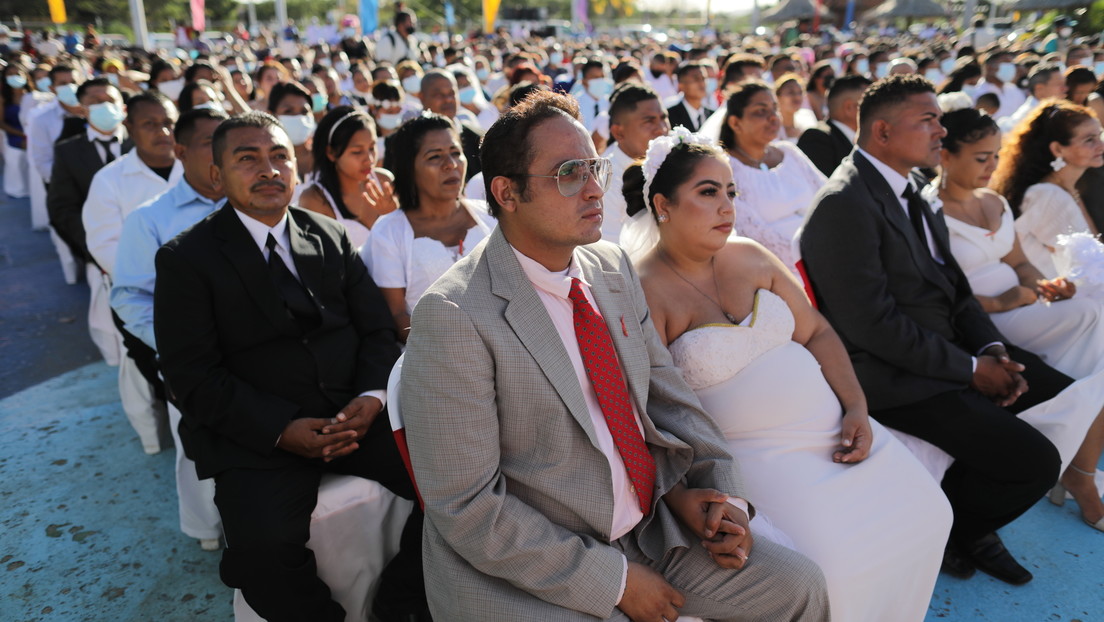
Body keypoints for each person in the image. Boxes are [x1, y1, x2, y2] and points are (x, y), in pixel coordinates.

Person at [400, 88, 829, 622]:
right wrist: (614, 582)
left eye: (594, 167)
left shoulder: (607, 267)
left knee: (800, 588)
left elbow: (667, 395)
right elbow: (466, 508)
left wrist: (722, 496)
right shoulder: (455, 315)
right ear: (506, 194)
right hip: (533, 565)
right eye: (568, 173)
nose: (593, 188)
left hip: (649, 527)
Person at [624, 127, 952, 622]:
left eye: (731, 191)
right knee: (839, 566)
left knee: (930, 513)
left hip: (831, 431)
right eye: (708, 192)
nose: (727, 206)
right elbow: (646, 411)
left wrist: (856, 407)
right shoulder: (645, 291)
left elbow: (817, 331)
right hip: (760, 457)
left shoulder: (751, 256)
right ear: (663, 205)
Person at [800, 75, 1099, 585]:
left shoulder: (910, 188)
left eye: (939, 118)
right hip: (891, 375)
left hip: (945, 351)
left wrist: (992, 348)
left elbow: (956, 288)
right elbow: (873, 327)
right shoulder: (844, 205)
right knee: (1035, 462)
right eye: (928, 120)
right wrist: (969, 370)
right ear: (882, 132)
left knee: (1063, 395)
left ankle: (967, 524)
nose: (942, 130)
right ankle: (957, 530)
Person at [152, 111, 426, 622]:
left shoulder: (328, 236)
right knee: (262, 553)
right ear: (217, 175)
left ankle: (400, 603)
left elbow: (376, 331)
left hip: (354, 417)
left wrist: (370, 399)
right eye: (247, 158)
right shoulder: (186, 260)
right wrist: (281, 429)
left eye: (279, 156)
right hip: (260, 437)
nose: (268, 169)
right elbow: (191, 377)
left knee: (453, 487)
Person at [935, 100, 1104, 532]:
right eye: (980, 158)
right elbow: (941, 295)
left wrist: (1044, 285)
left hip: (1020, 303)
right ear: (944, 155)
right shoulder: (930, 212)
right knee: (1093, 317)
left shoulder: (993, 201)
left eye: (995, 156)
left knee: (1091, 312)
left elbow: (1019, 260)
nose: (991, 166)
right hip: (983, 319)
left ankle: (1070, 429)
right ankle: (1068, 446)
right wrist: (1004, 301)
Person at [111, 107, 230, 550]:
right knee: (196, 447)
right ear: (179, 151)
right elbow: (128, 296)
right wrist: (181, 348)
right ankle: (206, 527)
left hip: (258, 350)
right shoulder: (151, 218)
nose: (221, 154)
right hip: (194, 360)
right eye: (208, 143)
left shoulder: (257, 202)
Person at [83, 90, 182, 456]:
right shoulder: (110, 180)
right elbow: (103, 244)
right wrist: (160, 282)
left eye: (169, 122)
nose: (162, 132)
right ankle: (154, 441)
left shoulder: (199, 170)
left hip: (204, 295)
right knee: (145, 378)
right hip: (141, 297)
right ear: (129, 128)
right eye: (150, 124)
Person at [367, 113, 494, 340]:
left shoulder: (491, 215)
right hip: (431, 359)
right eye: (435, 156)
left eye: (456, 153)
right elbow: (396, 315)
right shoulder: (388, 232)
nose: (451, 164)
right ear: (410, 168)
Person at [47, 78, 133, 370]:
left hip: (151, 249)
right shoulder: (68, 151)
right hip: (100, 257)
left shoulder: (143, 142)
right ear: (82, 109)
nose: (103, 106)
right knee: (117, 334)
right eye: (95, 102)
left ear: (122, 106)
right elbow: (62, 207)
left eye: (108, 99)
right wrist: (96, 249)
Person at [716, 81, 826, 270]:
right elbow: (750, 232)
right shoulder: (725, 168)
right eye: (761, 111)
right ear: (735, 122)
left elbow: (826, 195)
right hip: (773, 270)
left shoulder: (790, 152)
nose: (773, 118)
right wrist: (805, 259)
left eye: (774, 109)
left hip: (824, 254)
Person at [992, 99, 1103, 279]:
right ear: (1058, 149)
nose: (1101, 146)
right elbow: (1084, 269)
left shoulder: (1065, 189)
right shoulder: (1048, 196)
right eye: (1089, 140)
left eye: (1099, 136)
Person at [298, 106, 396, 250]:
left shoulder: (384, 181)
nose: (369, 159)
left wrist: (395, 216)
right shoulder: (315, 199)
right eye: (357, 152)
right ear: (331, 153)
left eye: (372, 147)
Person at [601, 82, 670, 243]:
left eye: (663, 118)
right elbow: (611, 249)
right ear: (619, 132)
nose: (662, 129)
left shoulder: (672, 162)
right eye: (649, 121)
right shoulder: (604, 182)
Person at [798, 75, 871, 177]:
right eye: (872, 103)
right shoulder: (817, 139)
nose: (879, 110)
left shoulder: (865, 139)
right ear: (849, 107)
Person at [417, 69, 482, 181]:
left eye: (452, 93)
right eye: (439, 95)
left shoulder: (478, 138)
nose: (448, 99)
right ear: (422, 97)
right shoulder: (409, 140)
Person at [997, 63, 1066, 133]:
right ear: (1039, 88)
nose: (1065, 88)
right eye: (1059, 84)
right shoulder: (1027, 119)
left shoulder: (1052, 110)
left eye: (1065, 84)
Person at [267, 81, 316, 177]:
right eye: (288, 111)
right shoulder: (266, 166)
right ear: (272, 116)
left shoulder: (328, 158)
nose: (299, 118)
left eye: (304, 111)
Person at [667, 62, 713, 133]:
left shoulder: (713, 115)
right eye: (696, 79)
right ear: (681, 86)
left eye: (704, 78)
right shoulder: (669, 117)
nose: (702, 83)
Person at [773, 73, 816, 142]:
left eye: (800, 92)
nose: (797, 97)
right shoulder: (771, 126)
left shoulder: (808, 118)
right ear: (777, 97)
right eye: (790, 92)